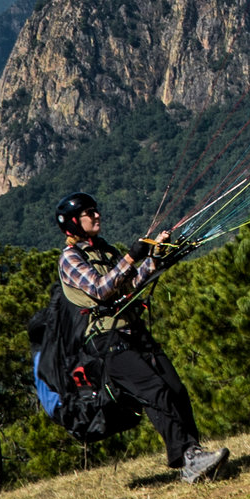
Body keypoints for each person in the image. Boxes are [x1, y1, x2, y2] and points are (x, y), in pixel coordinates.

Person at [53, 192, 229, 483]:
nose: (97, 215)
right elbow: (99, 289)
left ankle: (194, 454)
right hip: (106, 341)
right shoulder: (70, 258)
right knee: (154, 391)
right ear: (73, 223)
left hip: (133, 330)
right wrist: (132, 256)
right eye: (89, 213)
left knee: (175, 388)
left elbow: (130, 284)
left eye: (96, 210)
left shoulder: (106, 251)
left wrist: (156, 257)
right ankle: (188, 457)